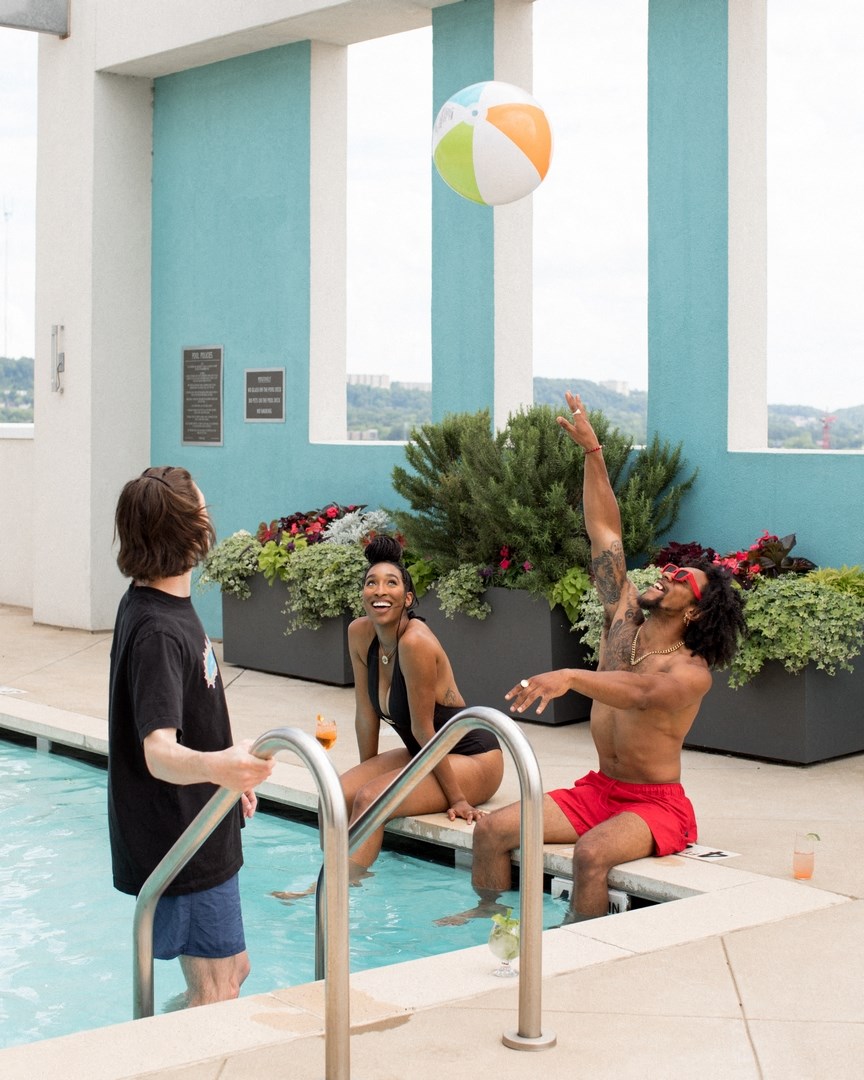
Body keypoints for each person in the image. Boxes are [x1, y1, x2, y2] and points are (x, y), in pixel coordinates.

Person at [449, 392, 746, 924]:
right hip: (598, 788)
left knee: (590, 856)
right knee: (491, 829)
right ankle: (487, 926)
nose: (666, 574)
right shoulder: (623, 615)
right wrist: (594, 455)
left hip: (654, 804)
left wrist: (570, 675)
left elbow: (639, 695)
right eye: (672, 570)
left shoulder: (688, 672)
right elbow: (605, 532)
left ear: (696, 615)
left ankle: (572, 950)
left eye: (681, 580)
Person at [108, 465, 275, 1007]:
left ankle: (155, 1053)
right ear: (187, 531)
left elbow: (192, 720)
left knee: (233, 974)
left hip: (200, 822)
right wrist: (219, 769)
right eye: (202, 510)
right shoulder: (156, 628)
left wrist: (226, 783)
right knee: (216, 988)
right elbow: (157, 751)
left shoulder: (163, 605)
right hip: (180, 840)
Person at [342, 534, 504, 877]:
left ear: (408, 597)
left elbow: (423, 728)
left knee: (372, 799)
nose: (380, 591)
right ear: (363, 595)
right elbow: (365, 713)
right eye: (372, 583)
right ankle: (345, 873)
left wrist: (457, 798)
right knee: (341, 793)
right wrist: (368, 770)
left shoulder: (415, 643)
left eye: (391, 583)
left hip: (473, 758)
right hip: (425, 751)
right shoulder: (359, 634)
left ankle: (339, 894)